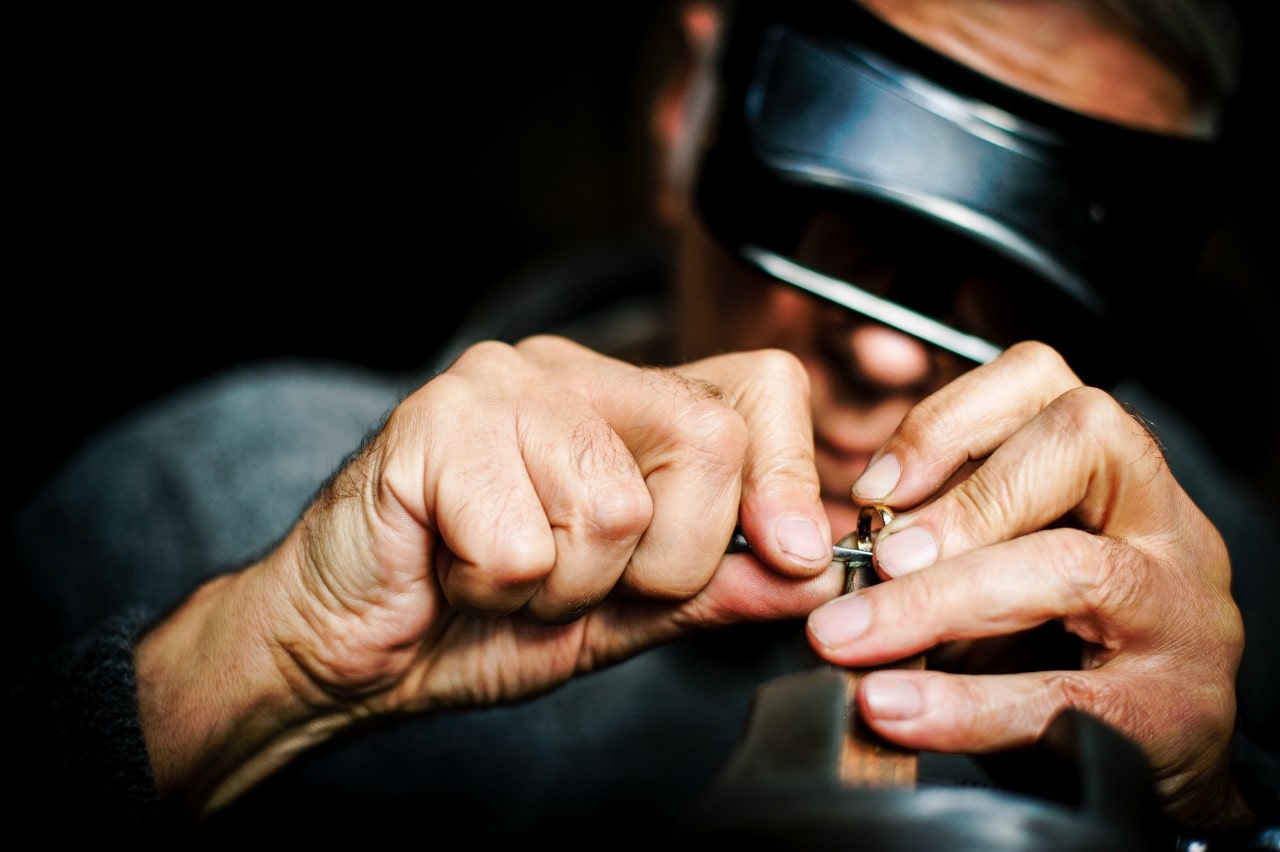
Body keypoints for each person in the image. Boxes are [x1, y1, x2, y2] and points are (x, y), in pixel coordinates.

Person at [5, 0, 1277, 848]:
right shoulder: (205, 507)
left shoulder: (1221, 594)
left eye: (1020, 270)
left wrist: (1205, 813)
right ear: (689, 105)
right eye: (840, 214)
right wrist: (259, 668)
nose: (887, 347)